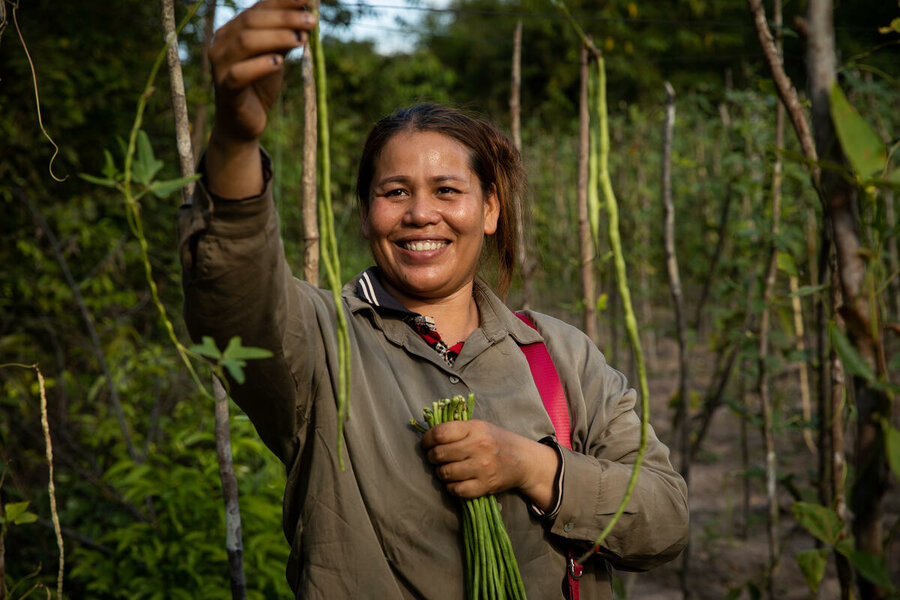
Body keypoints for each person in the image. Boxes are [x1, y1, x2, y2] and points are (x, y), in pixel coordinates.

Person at [178, 1, 689, 598]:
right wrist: (237, 140)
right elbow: (232, 298)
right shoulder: (321, 344)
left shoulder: (559, 356)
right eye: (394, 192)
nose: (421, 213)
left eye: (448, 190)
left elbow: (665, 520)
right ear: (367, 215)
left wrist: (533, 467)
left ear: (490, 210)